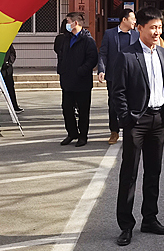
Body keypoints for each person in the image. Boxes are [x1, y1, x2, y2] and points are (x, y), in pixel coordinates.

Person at [110, 7, 164, 246]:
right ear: (139, 28)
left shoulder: (162, 53)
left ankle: (150, 218)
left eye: (159, 27)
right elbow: (117, 91)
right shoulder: (127, 55)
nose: (157, 32)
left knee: (153, 171)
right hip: (136, 122)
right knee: (129, 173)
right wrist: (126, 118)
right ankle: (126, 225)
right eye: (152, 28)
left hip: (159, 120)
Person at [57, 11, 98, 147]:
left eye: (68, 22)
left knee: (83, 111)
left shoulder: (88, 40)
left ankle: (83, 136)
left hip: (82, 82)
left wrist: (81, 70)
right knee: (66, 108)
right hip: (67, 81)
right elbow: (61, 55)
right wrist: (61, 70)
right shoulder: (66, 39)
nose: (66, 24)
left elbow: (92, 59)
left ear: (75, 23)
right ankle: (72, 133)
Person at [98, 8, 139, 144]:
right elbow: (103, 53)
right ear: (124, 19)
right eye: (133, 18)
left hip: (131, 76)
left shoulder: (136, 35)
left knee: (132, 103)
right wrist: (101, 69)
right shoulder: (110, 34)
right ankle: (114, 131)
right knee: (114, 104)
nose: (135, 21)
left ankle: (129, 129)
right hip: (114, 76)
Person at [1, 44, 22, 114]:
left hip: (7, 70)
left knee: (10, 89)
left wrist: (8, 63)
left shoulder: (8, 44)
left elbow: (13, 54)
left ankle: (14, 106)